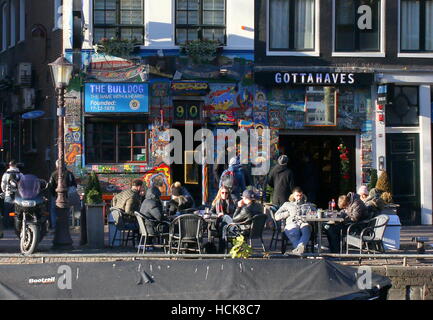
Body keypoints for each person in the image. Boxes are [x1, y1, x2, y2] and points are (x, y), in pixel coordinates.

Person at [275, 187, 312, 255]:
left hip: (303, 222)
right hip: (291, 223)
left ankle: (298, 250)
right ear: (293, 196)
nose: (299, 197)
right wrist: (288, 213)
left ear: (303, 195)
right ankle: (301, 249)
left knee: (306, 229)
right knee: (294, 232)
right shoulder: (287, 204)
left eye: (300, 195)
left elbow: (314, 214)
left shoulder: (308, 205)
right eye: (297, 195)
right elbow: (276, 216)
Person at [48, 160, 78, 228]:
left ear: (56, 166)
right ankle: (65, 226)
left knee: (53, 210)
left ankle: (55, 226)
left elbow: (50, 186)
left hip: (56, 196)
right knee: (66, 210)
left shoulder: (54, 174)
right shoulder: (69, 173)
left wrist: (53, 195)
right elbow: (74, 185)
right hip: (68, 195)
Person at [210, 186, 236, 252]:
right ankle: (235, 229)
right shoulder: (216, 202)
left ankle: (221, 251)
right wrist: (217, 215)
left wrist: (228, 215)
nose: (224, 194)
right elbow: (210, 213)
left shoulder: (232, 202)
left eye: (226, 193)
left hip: (226, 225)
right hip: (218, 223)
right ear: (220, 193)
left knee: (224, 226)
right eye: (223, 193)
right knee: (225, 217)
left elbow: (235, 214)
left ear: (228, 194)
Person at [1, 160, 23, 229]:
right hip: (18, 195)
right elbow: (23, 184)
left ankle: (7, 225)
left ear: (9, 165)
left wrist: (5, 191)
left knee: (7, 211)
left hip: (9, 194)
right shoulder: (20, 174)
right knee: (17, 211)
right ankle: (16, 225)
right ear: (16, 165)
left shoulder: (6, 174)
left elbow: (3, 184)